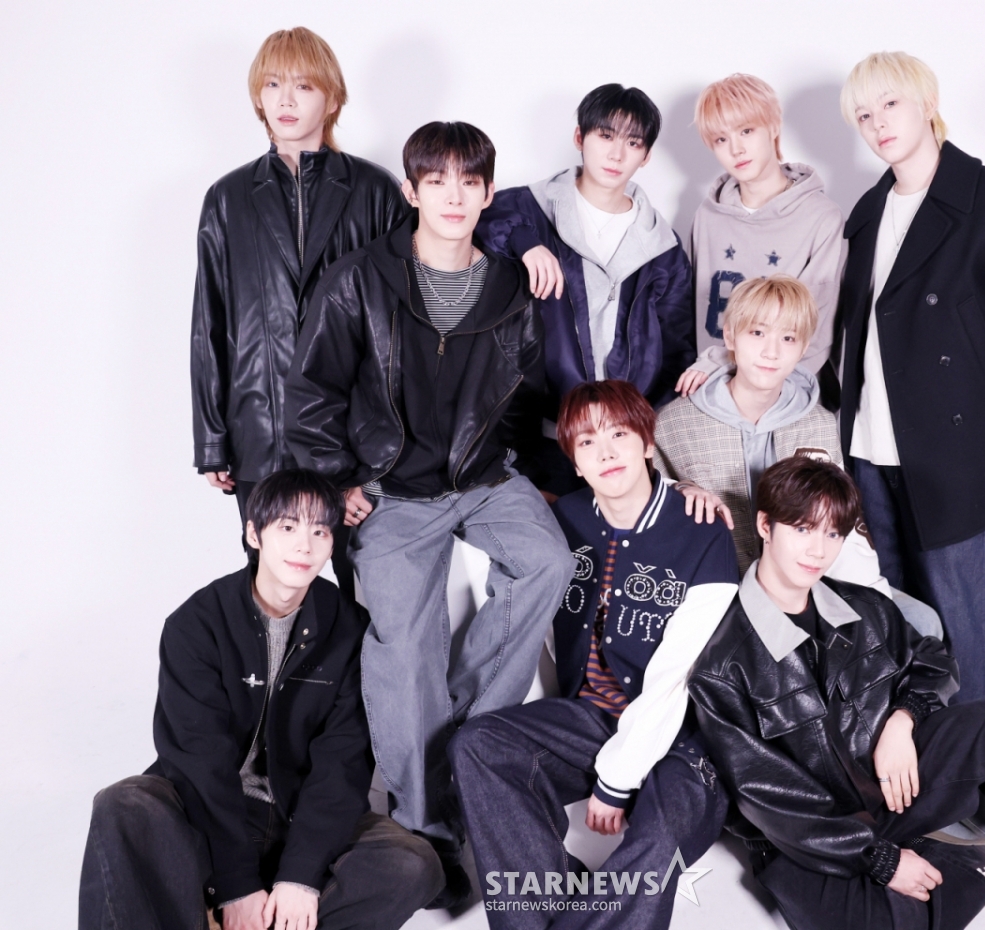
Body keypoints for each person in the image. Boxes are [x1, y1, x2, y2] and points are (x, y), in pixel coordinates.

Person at [688, 456, 985, 930]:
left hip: (895, 788)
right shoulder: (722, 664)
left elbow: (933, 660)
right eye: (802, 529)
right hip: (812, 839)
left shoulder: (865, 607)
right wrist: (881, 860)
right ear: (766, 526)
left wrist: (904, 719)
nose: (818, 550)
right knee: (884, 919)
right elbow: (768, 800)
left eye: (832, 533)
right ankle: (956, 851)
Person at [284, 120, 577, 907]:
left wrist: (539, 477)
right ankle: (425, 823)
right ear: (411, 191)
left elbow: (525, 395)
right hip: (389, 486)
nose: (454, 195)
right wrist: (335, 479)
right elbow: (311, 391)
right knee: (404, 645)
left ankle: (467, 746)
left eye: (469, 181)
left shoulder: (510, 286)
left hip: (483, 476)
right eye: (436, 180)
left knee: (548, 563)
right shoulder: (360, 278)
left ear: (487, 193)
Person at [79, 470, 443, 930]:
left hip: (298, 815)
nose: (304, 546)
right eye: (288, 527)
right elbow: (198, 760)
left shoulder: (350, 629)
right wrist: (235, 884)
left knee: (413, 864)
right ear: (254, 534)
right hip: (207, 813)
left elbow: (343, 761)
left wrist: (301, 877)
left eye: (320, 531)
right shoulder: (197, 624)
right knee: (123, 804)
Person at [449, 380, 739, 928]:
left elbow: (680, 675)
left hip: (687, 738)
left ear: (648, 443)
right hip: (591, 720)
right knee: (479, 744)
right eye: (586, 442)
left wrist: (616, 780)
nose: (605, 452)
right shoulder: (564, 520)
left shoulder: (701, 529)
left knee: (658, 843)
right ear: (575, 462)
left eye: (619, 434)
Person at [835, 51, 985, 701]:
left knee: (962, 625)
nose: (878, 123)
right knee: (892, 618)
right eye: (863, 115)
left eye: (890, 104)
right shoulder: (867, 211)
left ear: (928, 103)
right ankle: (911, 750)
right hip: (869, 448)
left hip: (953, 447)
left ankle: (974, 753)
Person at [191, 27, 407, 592]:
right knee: (271, 586)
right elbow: (209, 320)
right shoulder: (228, 198)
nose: (286, 100)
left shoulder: (375, 191)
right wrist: (212, 438)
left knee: (369, 588)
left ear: (331, 99)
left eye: (304, 86)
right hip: (260, 428)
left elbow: (404, 322)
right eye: (273, 85)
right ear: (258, 97)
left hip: (352, 434)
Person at [655, 276, 941, 638]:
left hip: (808, 587)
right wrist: (679, 490)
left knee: (921, 622)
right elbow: (646, 508)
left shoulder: (818, 425)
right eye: (757, 333)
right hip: (717, 592)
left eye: (788, 338)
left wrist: (873, 602)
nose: (771, 352)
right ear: (730, 337)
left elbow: (841, 523)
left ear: (803, 346)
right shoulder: (676, 423)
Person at [475, 84, 695, 496]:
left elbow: (677, 347)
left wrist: (640, 426)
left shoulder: (663, 248)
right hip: (537, 437)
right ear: (580, 137)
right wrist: (526, 243)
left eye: (633, 143)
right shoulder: (528, 209)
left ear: (646, 156)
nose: (616, 154)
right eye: (605, 136)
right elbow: (475, 222)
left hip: (622, 446)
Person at [679, 72, 846, 393]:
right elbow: (692, 315)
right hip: (713, 395)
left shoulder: (822, 218)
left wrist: (762, 393)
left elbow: (819, 329)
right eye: (721, 139)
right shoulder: (708, 216)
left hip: (788, 396)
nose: (736, 149)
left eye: (746, 131)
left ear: (773, 126)